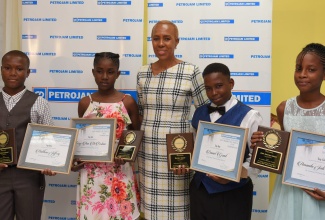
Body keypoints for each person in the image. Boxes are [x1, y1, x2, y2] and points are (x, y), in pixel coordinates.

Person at [136, 20, 209, 219]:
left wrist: (191, 154)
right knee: (151, 211)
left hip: (178, 156)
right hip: (148, 155)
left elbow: (205, 114)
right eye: (156, 38)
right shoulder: (142, 73)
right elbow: (142, 113)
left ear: (176, 42)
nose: (161, 43)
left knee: (179, 210)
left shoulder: (190, 71)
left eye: (167, 38)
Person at [251, 43, 325, 220]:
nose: (302, 75)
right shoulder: (284, 108)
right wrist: (261, 146)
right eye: (298, 68)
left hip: (320, 192)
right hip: (288, 191)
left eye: (311, 69)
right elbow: (283, 154)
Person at [72, 52, 141, 220]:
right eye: (99, 71)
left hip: (120, 173)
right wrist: (76, 160)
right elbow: (81, 139)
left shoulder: (127, 102)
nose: (104, 76)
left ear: (117, 74)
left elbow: (136, 134)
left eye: (110, 72)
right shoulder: (85, 103)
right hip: (91, 175)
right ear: (93, 72)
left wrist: (124, 154)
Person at [190, 63, 263, 220]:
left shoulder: (250, 116)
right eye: (208, 88)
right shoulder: (199, 112)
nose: (214, 93)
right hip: (200, 191)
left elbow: (256, 162)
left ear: (231, 84)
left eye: (219, 86)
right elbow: (195, 149)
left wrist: (235, 175)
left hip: (233, 194)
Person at [0, 50, 56, 220]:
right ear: (1, 69)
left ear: (28, 72)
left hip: (29, 177)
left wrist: (51, 163)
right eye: (8, 68)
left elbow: (49, 140)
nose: (12, 73)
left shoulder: (39, 103)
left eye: (19, 69)